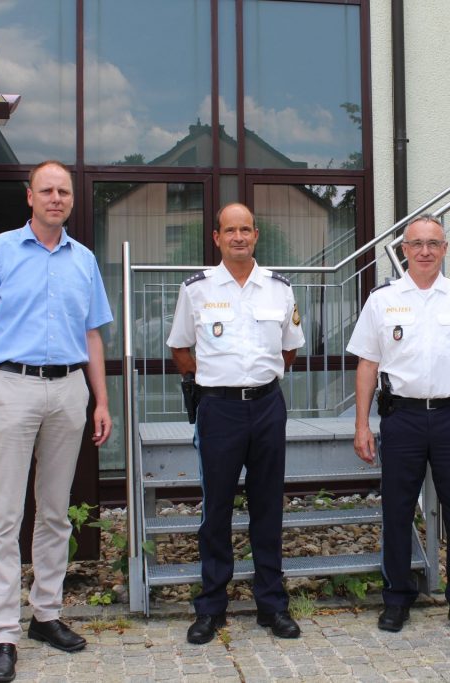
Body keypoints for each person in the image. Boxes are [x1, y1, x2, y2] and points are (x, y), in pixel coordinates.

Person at [0, 160, 114, 682]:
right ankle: (2, 635)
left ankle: (46, 614)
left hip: (69, 390)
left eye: (64, 191)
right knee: (1, 515)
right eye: (47, 190)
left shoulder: (83, 260)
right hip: (11, 386)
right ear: (30, 197)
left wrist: (101, 401)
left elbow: (92, 336)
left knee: (55, 510)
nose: (56, 198)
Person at [346, 214, 450, 635]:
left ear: (445, 249)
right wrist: (362, 424)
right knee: (396, 511)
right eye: (417, 244)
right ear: (404, 251)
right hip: (403, 418)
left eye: (434, 243)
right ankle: (396, 599)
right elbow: (366, 363)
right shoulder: (382, 299)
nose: (426, 251)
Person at [167, 202, 305, 644]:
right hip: (219, 410)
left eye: (246, 229)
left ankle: (272, 605)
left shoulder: (279, 289)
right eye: (231, 230)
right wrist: (212, 385)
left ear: (256, 235)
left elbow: (289, 350)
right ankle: (211, 608)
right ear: (217, 238)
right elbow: (182, 350)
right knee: (217, 510)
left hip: (266, 407)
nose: (239, 237)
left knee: (268, 507)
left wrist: (257, 380)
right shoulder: (196, 290)